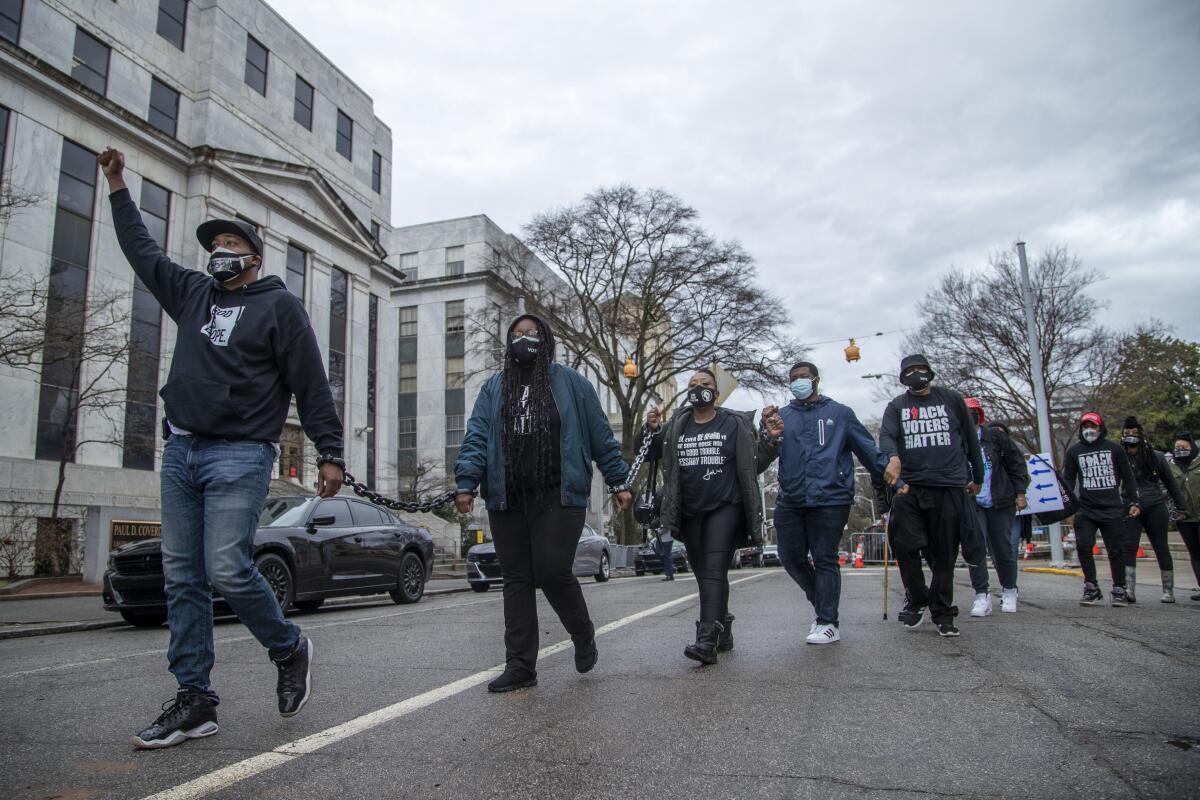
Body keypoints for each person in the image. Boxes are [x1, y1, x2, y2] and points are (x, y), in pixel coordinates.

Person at [99, 148, 341, 749]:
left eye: (232, 243)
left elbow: (310, 384)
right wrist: (117, 187)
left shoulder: (280, 307)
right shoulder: (190, 294)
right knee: (182, 575)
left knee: (226, 567)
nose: (219, 251)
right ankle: (195, 699)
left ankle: (288, 648)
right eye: (215, 243)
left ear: (254, 258)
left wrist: (330, 451)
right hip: (182, 450)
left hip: (240, 453)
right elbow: (142, 252)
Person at [453, 315, 631, 693]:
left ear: (546, 341)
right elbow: (477, 435)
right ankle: (520, 666)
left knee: (552, 570)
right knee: (516, 580)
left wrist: (618, 479)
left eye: (532, 334)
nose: (524, 340)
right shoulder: (495, 387)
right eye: (517, 335)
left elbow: (600, 434)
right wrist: (466, 482)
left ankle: (582, 634)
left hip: (559, 493)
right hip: (508, 494)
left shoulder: (571, 383)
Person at [645, 369, 782, 664]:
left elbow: (752, 464)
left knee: (714, 569)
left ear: (716, 393)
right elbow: (649, 452)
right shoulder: (677, 425)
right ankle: (724, 628)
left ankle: (705, 639)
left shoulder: (734, 423)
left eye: (704, 384)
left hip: (726, 506)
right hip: (690, 510)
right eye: (692, 385)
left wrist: (770, 442)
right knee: (704, 573)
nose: (698, 388)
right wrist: (650, 428)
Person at [772, 361, 896, 644]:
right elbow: (765, 453)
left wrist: (894, 481)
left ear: (816, 380)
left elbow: (868, 450)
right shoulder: (782, 416)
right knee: (790, 558)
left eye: (804, 377)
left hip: (830, 497)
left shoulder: (840, 414)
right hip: (791, 498)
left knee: (825, 556)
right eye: (793, 378)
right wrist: (768, 435)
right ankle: (822, 606)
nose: (799, 382)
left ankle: (828, 621)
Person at [878, 355, 985, 637]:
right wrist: (893, 458)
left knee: (944, 555)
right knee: (905, 546)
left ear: (930, 372)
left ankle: (942, 611)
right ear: (903, 377)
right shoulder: (897, 406)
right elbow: (887, 436)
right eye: (909, 371)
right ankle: (917, 598)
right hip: (910, 488)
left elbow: (971, 441)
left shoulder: (951, 400)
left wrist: (978, 476)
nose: (916, 375)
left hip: (948, 485)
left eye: (920, 370)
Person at [1061, 412, 1141, 607]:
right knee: (1083, 546)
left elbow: (1128, 477)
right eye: (1085, 426)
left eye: (1093, 426)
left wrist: (1134, 502)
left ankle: (1119, 588)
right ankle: (1091, 587)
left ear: (1100, 427)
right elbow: (1068, 480)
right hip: (1086, 508)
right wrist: (1063, 504)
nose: (1089, 429)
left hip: (1112, 508)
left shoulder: (1114, 449)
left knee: (1116, 550)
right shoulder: (1074, 452)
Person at [962, 399, 1030, 615]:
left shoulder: (996, 437)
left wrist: (1020, 493)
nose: (968, 416)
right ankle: (981, 595)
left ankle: (1009, 590)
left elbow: (1017, 464)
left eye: (972, 412)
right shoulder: (956, 441)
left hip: (1001, 501)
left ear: (979, 416)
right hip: (972, 503)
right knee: (975, 547)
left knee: (1002, 548)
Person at [1117, 417, 1188, 603]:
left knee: (1161, 547)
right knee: (1129, 547)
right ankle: (1129, 589)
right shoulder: (1118, 457)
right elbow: (1114, 485)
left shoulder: (1155, 456)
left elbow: (1171, 484)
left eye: (1134, 433)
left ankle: (1168, 591)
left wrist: (1182, 507)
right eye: (1127, 434)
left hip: (1155, 504)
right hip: (1130, 506)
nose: (1131, 437)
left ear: (1141, 434)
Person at [1167, 432, 1200, 601]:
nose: (1180, 450)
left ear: (1192, 448)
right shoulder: (1171, 466)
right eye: (1177, 448)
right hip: (1184, 517)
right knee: (1194, 552)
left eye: (1184, 447)